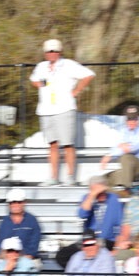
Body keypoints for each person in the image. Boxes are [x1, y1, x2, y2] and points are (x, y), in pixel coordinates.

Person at [30, 39, 95, 186]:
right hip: (46, 110)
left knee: (67, 144)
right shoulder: (41, 67)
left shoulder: (69, 64)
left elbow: (89, 75)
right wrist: (40, 84)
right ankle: (53, 177)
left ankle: (70, 176)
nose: (52, 54)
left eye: (54, 51)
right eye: (49, 51)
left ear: (59, 52)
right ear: (45, 53)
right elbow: (33, 79)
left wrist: (76, 91)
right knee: (52, 144)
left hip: (64, 108)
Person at [56, 175, 125, 269]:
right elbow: (82, 214)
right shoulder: (88, 198)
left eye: (102, 191)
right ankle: (83, 272)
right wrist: (92, 195)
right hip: (89, 240)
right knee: (62, 256)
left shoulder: (113, 199)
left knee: (101, 253)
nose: (100, 194)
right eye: (97, 191)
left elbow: (120, 226)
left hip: (107, 240)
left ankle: (90, 270)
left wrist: (116, 248)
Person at [99, 106, 139, 190]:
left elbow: (132, 148)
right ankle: (117, 194)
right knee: (104, 179)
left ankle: (127, 188)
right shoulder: (122, 131)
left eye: (134, 119)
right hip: (130, 170)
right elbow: (115, 147)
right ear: (126, 120)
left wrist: (110, 155)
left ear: (138, 119)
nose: (132, 122)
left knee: (126, 157)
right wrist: (115, 151)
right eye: (129, 119)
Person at [0, 188, 42, 259]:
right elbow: (1, 245)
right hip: (7, 259)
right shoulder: (4, 223)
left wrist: (24, 259)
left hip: (27, 259)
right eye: (13, 202)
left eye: (19, 202)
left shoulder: (32, 221)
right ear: (9, 204)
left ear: (24, 203)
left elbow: (34, 244)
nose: (16, 204)